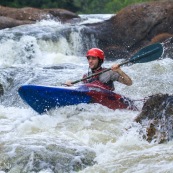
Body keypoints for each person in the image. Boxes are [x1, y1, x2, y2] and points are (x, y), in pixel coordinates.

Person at [65, 48, 132, 91]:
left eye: (93, 58)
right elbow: (81, 90)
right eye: (89, 58)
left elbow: (129, 83)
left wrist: (119, 71)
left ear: (100, 60)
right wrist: (71, 86)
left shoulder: (109, 73)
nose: (90, 61)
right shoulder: (85, 76)